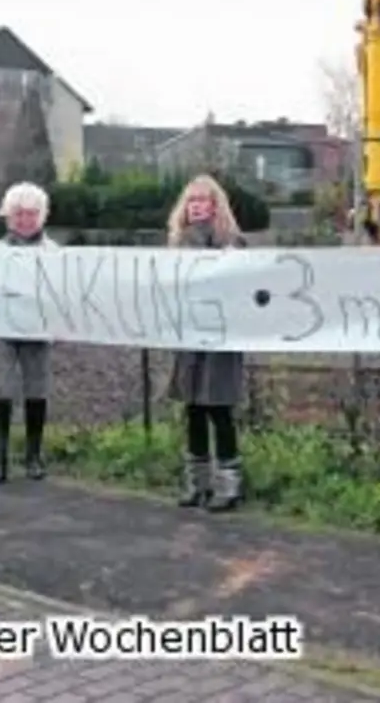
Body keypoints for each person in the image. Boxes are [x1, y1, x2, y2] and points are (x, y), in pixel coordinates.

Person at [166, 175, 249, 512]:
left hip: (220, 338)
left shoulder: (233, 243)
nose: (197, 206)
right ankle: (196, 483)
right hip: (189, 337)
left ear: (216, 205)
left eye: (203, 200)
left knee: (218, 408)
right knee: (193, 409)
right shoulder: (177, 245)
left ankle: (229, 486)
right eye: (192, 200)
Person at [0, 182, 56, 485]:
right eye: (18, 214)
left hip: (38, 331)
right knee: (1, 388)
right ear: (8, 216)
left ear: (42, 216)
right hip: (2, 329)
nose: (25, 220)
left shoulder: (54, 253)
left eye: (31, 214)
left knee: (36, 389)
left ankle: (33, 455)